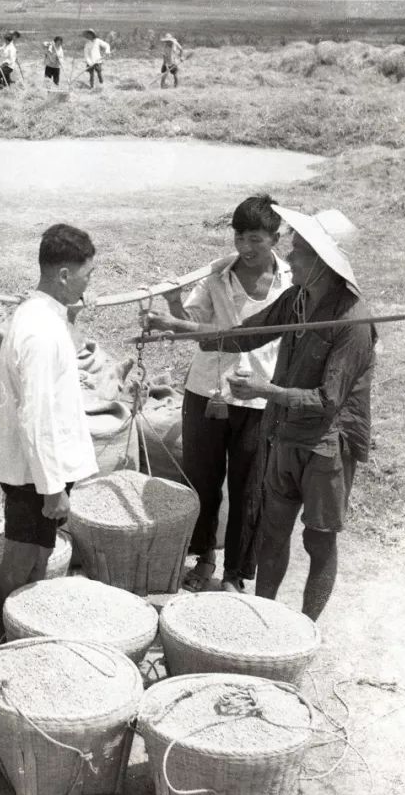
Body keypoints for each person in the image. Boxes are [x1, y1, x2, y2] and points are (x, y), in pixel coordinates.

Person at [158, 208, 374, 621]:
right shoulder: (297, 300)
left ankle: (307, 627)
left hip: (327, 443)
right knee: (274, 530)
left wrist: (266, 391)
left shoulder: (354, 321)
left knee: (318, 539)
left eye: (300, 253)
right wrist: (176, 324)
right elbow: (243, 336)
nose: (290, 260)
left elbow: (329, 400)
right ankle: (265, 618)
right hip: (286, 432)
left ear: (323, 262)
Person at [143, 195, 292, 593]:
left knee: (250, 487)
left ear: (275, 239)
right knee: (202, 481)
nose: (245, 247)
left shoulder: (291, 283)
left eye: (256, 240)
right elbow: (188, 325)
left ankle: (236, 573)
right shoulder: (217, 275)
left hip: (258, 397)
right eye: (239, 237)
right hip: (207, 390)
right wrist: (174, 298)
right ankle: (203, 558)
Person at [0, 224, 99, 613]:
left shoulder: (45, 317)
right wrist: (52, 487)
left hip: (38, 468)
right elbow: (35, 416)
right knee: (19, 561)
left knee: (39, 557)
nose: (89, 282)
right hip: (31, 473)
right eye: (86, 274)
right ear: (64, 275)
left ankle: (22, 629)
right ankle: (5, 633)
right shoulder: (38, 330)